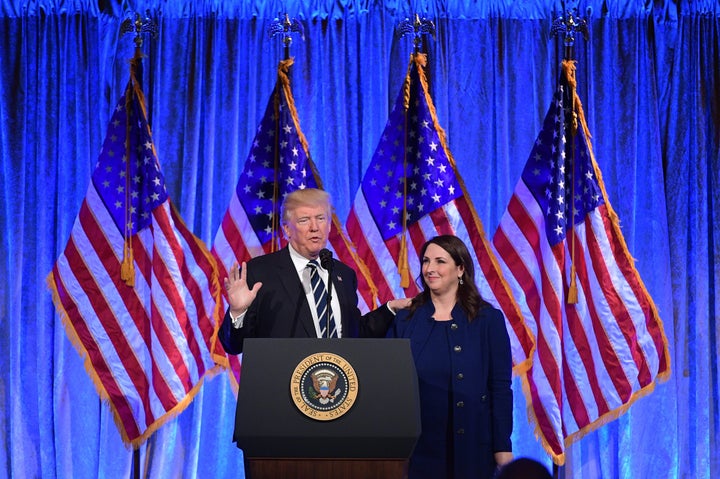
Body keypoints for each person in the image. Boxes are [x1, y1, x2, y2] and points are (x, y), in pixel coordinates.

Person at [219, 188, 409, 354]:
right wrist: (237, 312)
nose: (314, 227)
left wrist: (390, 308)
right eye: (304, 220)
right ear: (287, 230)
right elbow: (234, 346)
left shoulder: (343, 274)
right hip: (281, 387)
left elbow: (353, 334)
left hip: (336, 386)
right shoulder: (260, 273)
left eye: (320, 218)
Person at [386, 235, 514, 479]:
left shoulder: (488, 320)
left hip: (473, 449)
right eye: (425, 261)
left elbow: (500, 388)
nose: (430, 269)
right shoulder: (406, 319)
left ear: (460, 269)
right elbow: (390, 383)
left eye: (439, 261)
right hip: (419, 452)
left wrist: (502, 447)